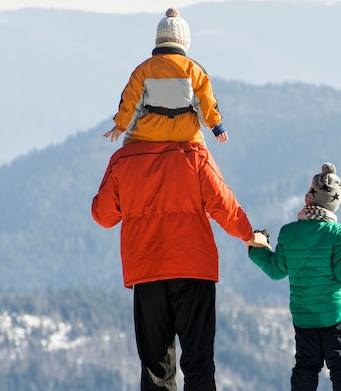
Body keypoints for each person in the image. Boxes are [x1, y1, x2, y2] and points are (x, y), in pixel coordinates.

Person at [91, 139, 269, 391]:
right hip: (194, 266)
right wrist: (249, 235)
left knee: (155, 367)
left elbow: (103, 215)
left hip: (146, 268)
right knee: (199, 361)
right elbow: (223, 203)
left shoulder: (123, 158)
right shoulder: (194, 152)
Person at [248, 163, 341, 391]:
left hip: (304, 315)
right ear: (334, 202)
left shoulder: (289, 232)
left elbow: (276, 270)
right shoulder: (339, 233)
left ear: (309, 197)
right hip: (336, 315)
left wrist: (257, 249)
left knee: (306, 366)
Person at [103, 7, 228, 145]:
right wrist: (216, 126)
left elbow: (131, 101)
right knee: (200, 152)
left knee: (129, 150)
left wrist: (120, 126)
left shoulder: (144, 69)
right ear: (184, 42)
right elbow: (206, 101)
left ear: (158, 40)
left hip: (150, 131)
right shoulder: (193, 69)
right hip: (185, 132)